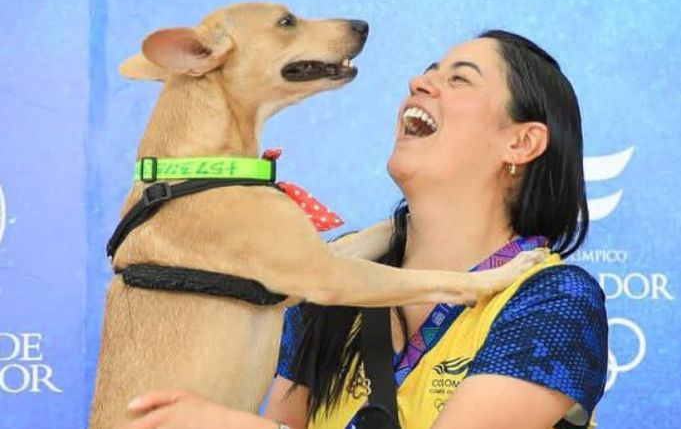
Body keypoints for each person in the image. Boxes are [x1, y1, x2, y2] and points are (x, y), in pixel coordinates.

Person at [122, 29, 608, 429]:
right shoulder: (330, 285)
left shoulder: (554, 300)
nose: (419, 82)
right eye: (429, 71)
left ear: (521, 144)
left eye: (459, 79)